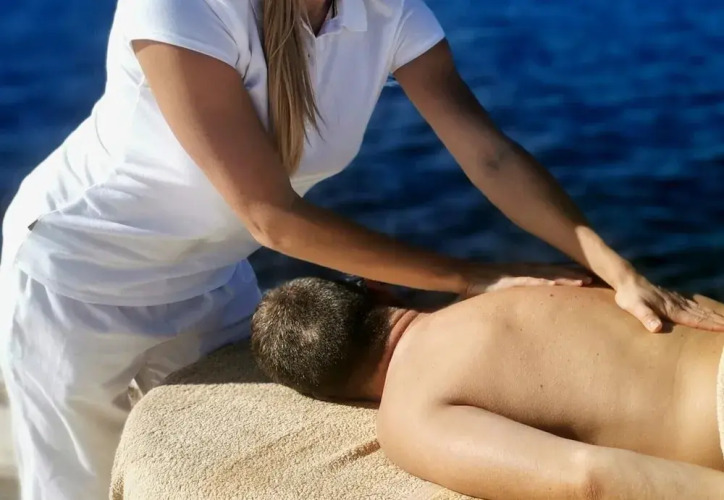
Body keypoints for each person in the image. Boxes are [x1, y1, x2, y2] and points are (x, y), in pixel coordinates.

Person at [2, 0, 724, 498]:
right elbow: (271, 218)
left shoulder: (387, 13)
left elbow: (490, 154)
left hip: (209, 276)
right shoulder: (185, 8)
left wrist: (613, 266)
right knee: (77, 487)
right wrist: (469, 277)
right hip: (77, 276)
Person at [251, 276, 724, 499]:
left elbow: (585, 480)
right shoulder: (517, 284)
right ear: (378, 290)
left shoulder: (408, 414)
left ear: (330, 396)